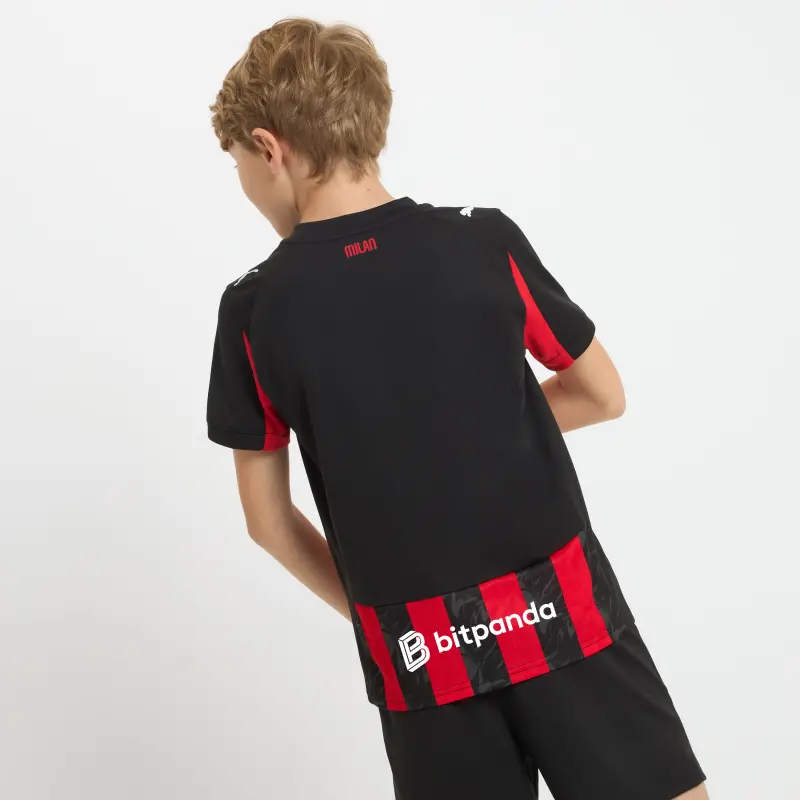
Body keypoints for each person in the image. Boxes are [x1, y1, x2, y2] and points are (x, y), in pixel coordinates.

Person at [206, 17, 708, 800]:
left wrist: (384, 623)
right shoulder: (482, 244)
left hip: (419, 652)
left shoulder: (253, 310)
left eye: (239, 163)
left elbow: (267, 522)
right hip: (562, 613)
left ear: (271, 149)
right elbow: (601, 393)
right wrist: (475, 426)